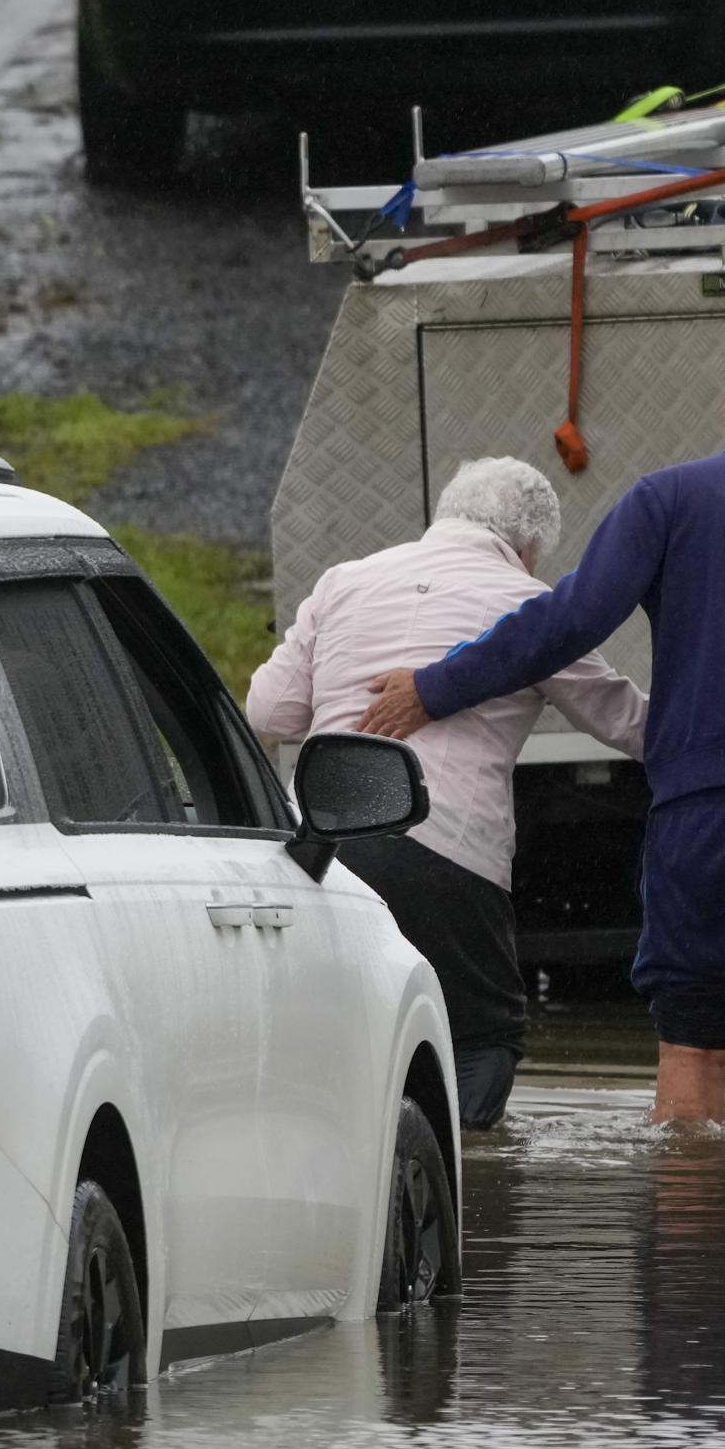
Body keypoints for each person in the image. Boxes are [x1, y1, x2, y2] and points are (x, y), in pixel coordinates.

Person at [358, 346, 725, 1143]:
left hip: (703, 817)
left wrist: (435, 687)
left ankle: (693, 1250)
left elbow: (567, 621)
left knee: (693, 1041)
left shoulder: (668, 500)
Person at [249, 456, 647, 1129]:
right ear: (528, 549)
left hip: (317, 846)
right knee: (482, 1034)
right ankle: (468, 1185)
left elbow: (266, 712)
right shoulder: (531, 605)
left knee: (336, 1029)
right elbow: (627, 724)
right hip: (446, 847)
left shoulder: (345, 580)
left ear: (446, 515)